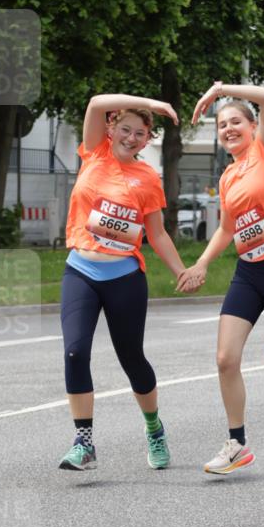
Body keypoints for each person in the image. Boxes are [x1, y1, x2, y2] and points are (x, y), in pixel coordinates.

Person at [177, 82, 264, 475]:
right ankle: (237, 443)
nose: (228, 128)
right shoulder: (228, 177)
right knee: (225, 358)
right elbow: (226, 229)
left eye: (236, 121)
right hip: (248, 272)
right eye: (222, 125)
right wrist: (200, 264)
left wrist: (219, 90)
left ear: (253, 127)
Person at [58, 94, 185, 472]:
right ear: (111, 129)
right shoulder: (95, 152)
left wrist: (181, 271)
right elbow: (97, 102)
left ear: (147, 141)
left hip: (125, 277)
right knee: (75, 353)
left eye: (140, 133)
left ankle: (154, 428)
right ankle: (84, 443)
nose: (131, 137)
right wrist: (154, 104)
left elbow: (157, 234)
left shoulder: (148, 178)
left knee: (132, 359)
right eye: (125, 129)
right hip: (80, 269)